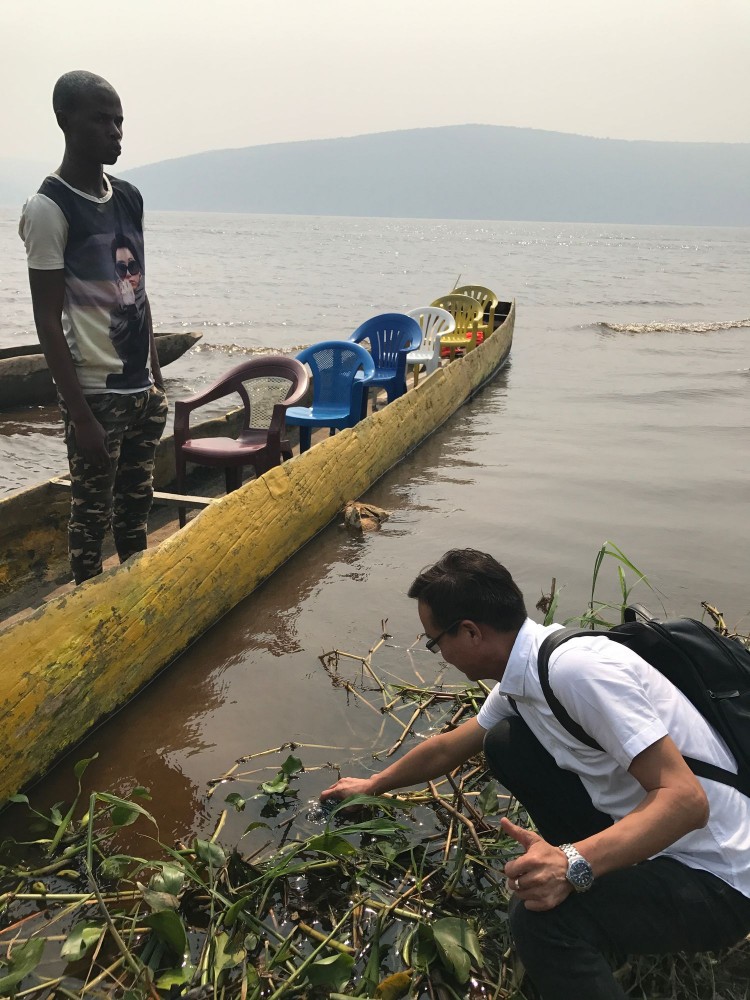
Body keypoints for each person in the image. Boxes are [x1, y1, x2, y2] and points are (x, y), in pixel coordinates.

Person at [321, 548, 750, 1000]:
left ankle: (591, 925)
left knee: (542, 921)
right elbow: (447, 748)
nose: (439, 654)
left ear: (469, 632)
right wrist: (372, 785)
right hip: (661, 839)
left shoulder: (577, 672)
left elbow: (686, 800)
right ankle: (610, 916)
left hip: (722, 876)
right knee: (507, 744)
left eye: (434, 641)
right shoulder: (525, 669)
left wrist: (572, 864)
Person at [19, 70, 168, 584]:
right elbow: (46, 319)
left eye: (120, 121)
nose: (115, 131)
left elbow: (137, 291)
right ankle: (87, 613)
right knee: (91, 521)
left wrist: (155, 379)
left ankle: (136, 597)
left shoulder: (129, 196)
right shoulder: (49, 208)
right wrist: (81, 416)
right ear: (65, 122)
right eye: (101, 120)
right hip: (96, 396)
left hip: (142, 392)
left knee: (136, 511)